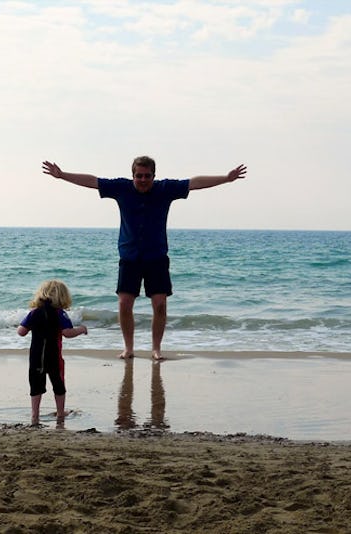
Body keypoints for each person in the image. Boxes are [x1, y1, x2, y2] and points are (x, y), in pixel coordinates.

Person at [41, 156, 246, 361]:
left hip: (156, 257)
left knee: (160, 305)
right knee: (124, 304)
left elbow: (194, 183)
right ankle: (128, 348)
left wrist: (226, 178)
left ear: (153, 176)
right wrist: (62, 175)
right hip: (129, 257)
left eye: (147, 176)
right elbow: (93, 181)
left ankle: (156, 349)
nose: (143, 180)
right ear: (133, 176)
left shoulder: (165, 189)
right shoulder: (122, 188)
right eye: (139, 176)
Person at [17, 279, 88, 426]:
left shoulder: (34, 313)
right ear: (62, 297)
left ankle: (34, 415)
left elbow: (21, 332)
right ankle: (60, 414)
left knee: (36, 386)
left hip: (36, 357)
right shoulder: (60, 314)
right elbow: (67, 333)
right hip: (54, 356)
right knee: (58, 384)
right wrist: (81, 329)